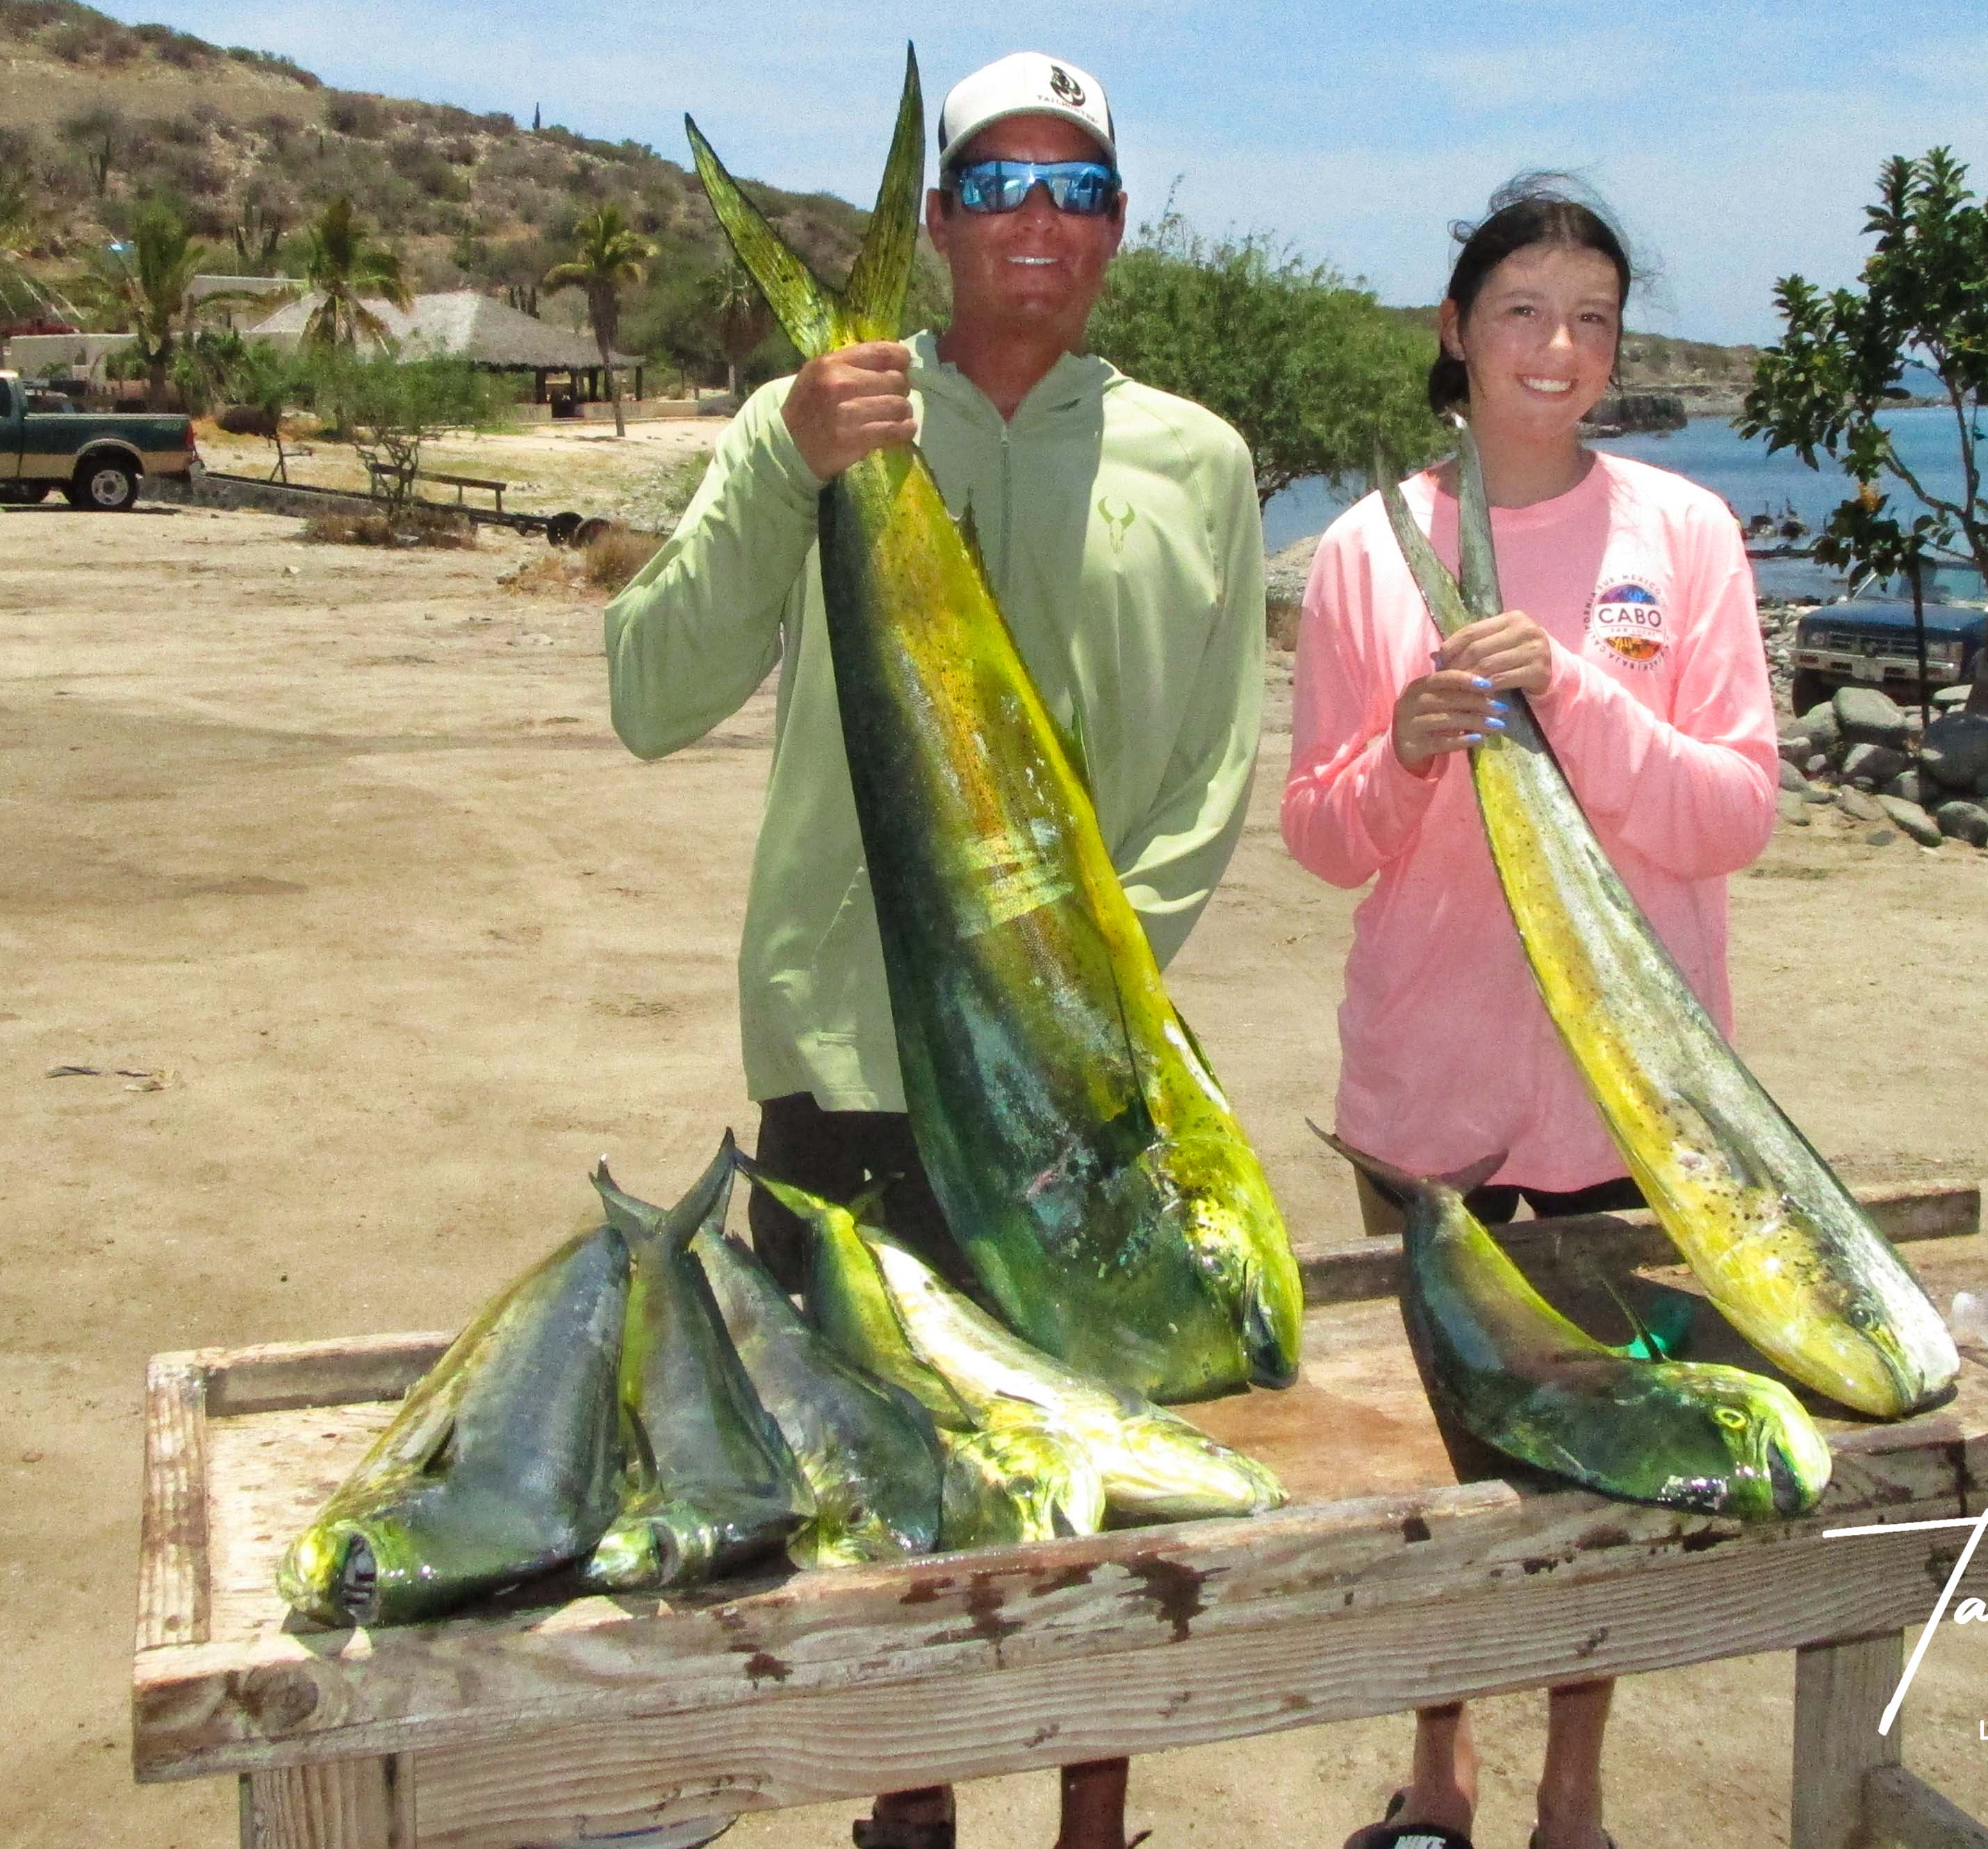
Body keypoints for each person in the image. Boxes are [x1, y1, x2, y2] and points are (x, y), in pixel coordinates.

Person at [604, 51, 1265, 1849]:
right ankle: (908, 1812)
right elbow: (648, 690)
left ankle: (1091, 1825)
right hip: (851, 1074)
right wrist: (792, 459)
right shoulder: (811, 418)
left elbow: (1209, 778)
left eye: (1075, 186)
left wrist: (1065, 1009)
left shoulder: (1202, 462)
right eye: (997, 183)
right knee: (879, 1500)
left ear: (1115, 225)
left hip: (1085, 1097)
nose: (1036, 218)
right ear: (940, 220)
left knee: (1100, 1496)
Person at [1279, 178, 1780, 1849]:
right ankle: (1441, 1775)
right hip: (1423, 1100)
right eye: (1520, 311)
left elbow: (1731, 811)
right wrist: (1407, 751)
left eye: (1591, 320)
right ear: (1455, 329)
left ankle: (1573, 1789)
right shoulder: (1365, 550)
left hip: (1632, 1103)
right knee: (1445, 1452)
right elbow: (1320, 833)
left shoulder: (1681, 537)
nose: (1556, 348)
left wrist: (1569, 696)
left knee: (1605, 1455)